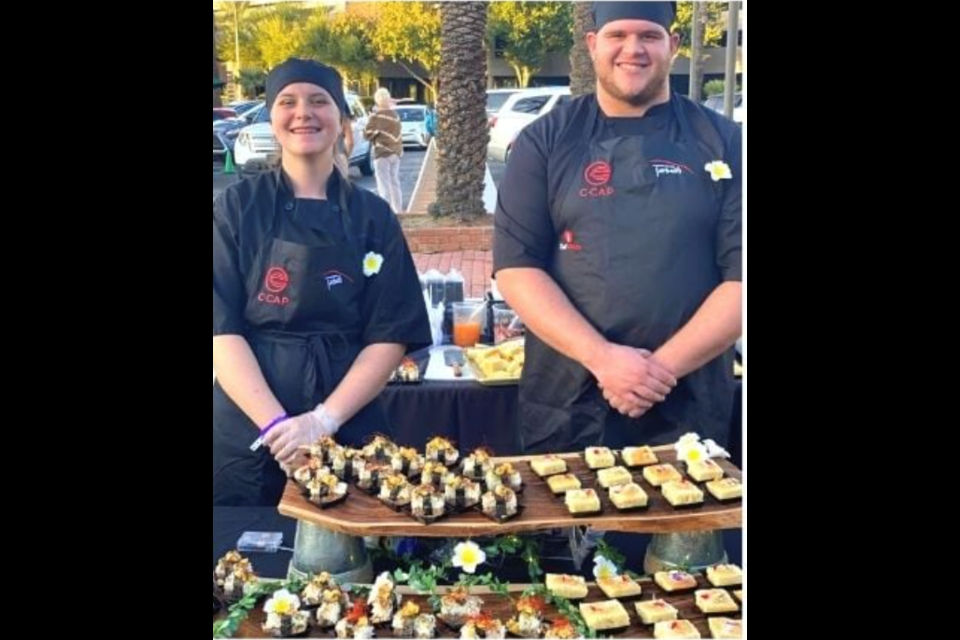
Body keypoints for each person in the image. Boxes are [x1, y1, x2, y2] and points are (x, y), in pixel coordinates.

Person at [493, 2, 742, 453]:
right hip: (567, 397)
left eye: (649, 35)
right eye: (618, 35)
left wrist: (655, 372)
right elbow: (516, 267)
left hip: (687, 399)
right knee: (568, 518)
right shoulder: (545, 141)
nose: (634, 49)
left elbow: (741, 279)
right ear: (592, 45)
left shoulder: (724, 142)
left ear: (674, 45)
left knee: (683, 523)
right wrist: (603, 359)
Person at [213, 58, 430, 506]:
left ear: (342, 118)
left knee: (359, 557)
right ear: (271, 117)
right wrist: (278, 427)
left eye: (319, 101)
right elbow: (221, 330)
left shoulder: (373, 216)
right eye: (288, 102)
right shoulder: (236, 208)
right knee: (248, 560)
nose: (303, 113)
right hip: (249, 427)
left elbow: (389, 333)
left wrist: (322, 421)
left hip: (348, 419)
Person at [363, 88, 404, 213]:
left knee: (383, 184)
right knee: (395, 182)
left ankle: (385, 212)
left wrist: (372, 130)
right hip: (396, 152)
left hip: (382, 153)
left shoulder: (376, 116)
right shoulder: (395, 115)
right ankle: (398, 210)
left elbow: (367, 135)